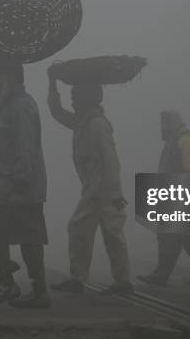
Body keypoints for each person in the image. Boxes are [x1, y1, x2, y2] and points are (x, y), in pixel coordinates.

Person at [47, 69, 133, 295]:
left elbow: (110, 160)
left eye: (76, 96)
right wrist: (52, 84)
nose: (73, 101)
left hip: (103, 189)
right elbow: (57, 112)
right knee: (81, 230)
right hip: (93, 189)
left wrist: (114, 194)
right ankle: (81, 278)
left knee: (110, 233)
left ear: (88, 98)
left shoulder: (96, 124)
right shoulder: (82, 122)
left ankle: (122, 282)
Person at [0, 61, 50, 308]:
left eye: (1, 79)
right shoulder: (10, 105)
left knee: (24, 236)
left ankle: (24, 288)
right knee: (8, 233)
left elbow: (25, 147)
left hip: (17, 185)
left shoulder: (22, 107)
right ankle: (13, 283)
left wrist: (21, 183)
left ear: (13, 78)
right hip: (8, 185)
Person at [137, 111, 190, 287]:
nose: (162, 128)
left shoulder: (184, 140)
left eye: (165, 124)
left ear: (173, 123)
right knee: (187, 237)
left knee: (170, 236)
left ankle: (161, 276)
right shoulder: (176, 140)